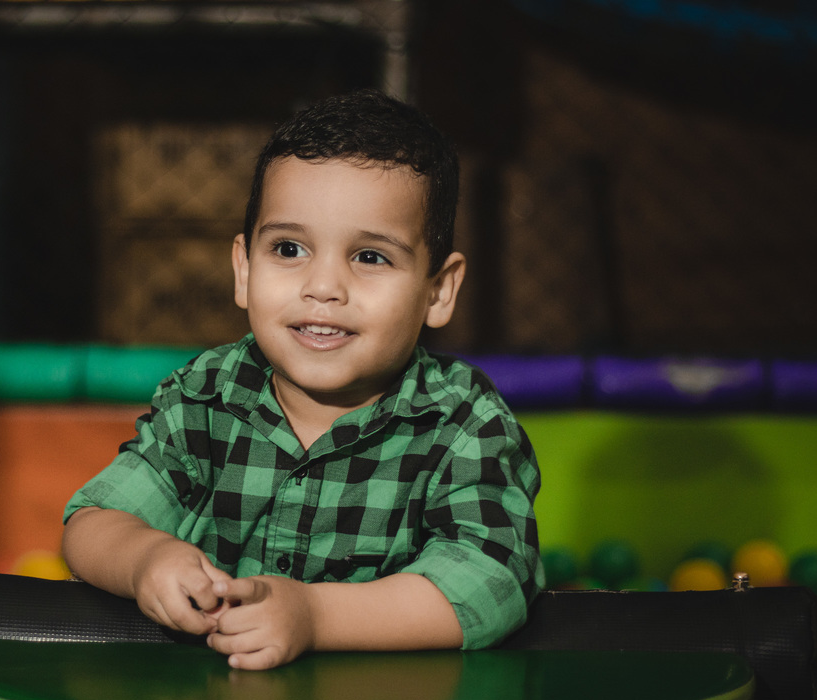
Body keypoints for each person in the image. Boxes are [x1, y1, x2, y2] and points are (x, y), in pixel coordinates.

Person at [63, 90, 541, 670]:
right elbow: (93, 522)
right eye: (289, 249)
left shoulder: (461, 423)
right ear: (244, 270)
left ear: (438, 290)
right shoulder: (209, 398)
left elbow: (493, 578)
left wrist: (314, 616)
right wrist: (146, 559)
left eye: (370, 257)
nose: (323, 287)